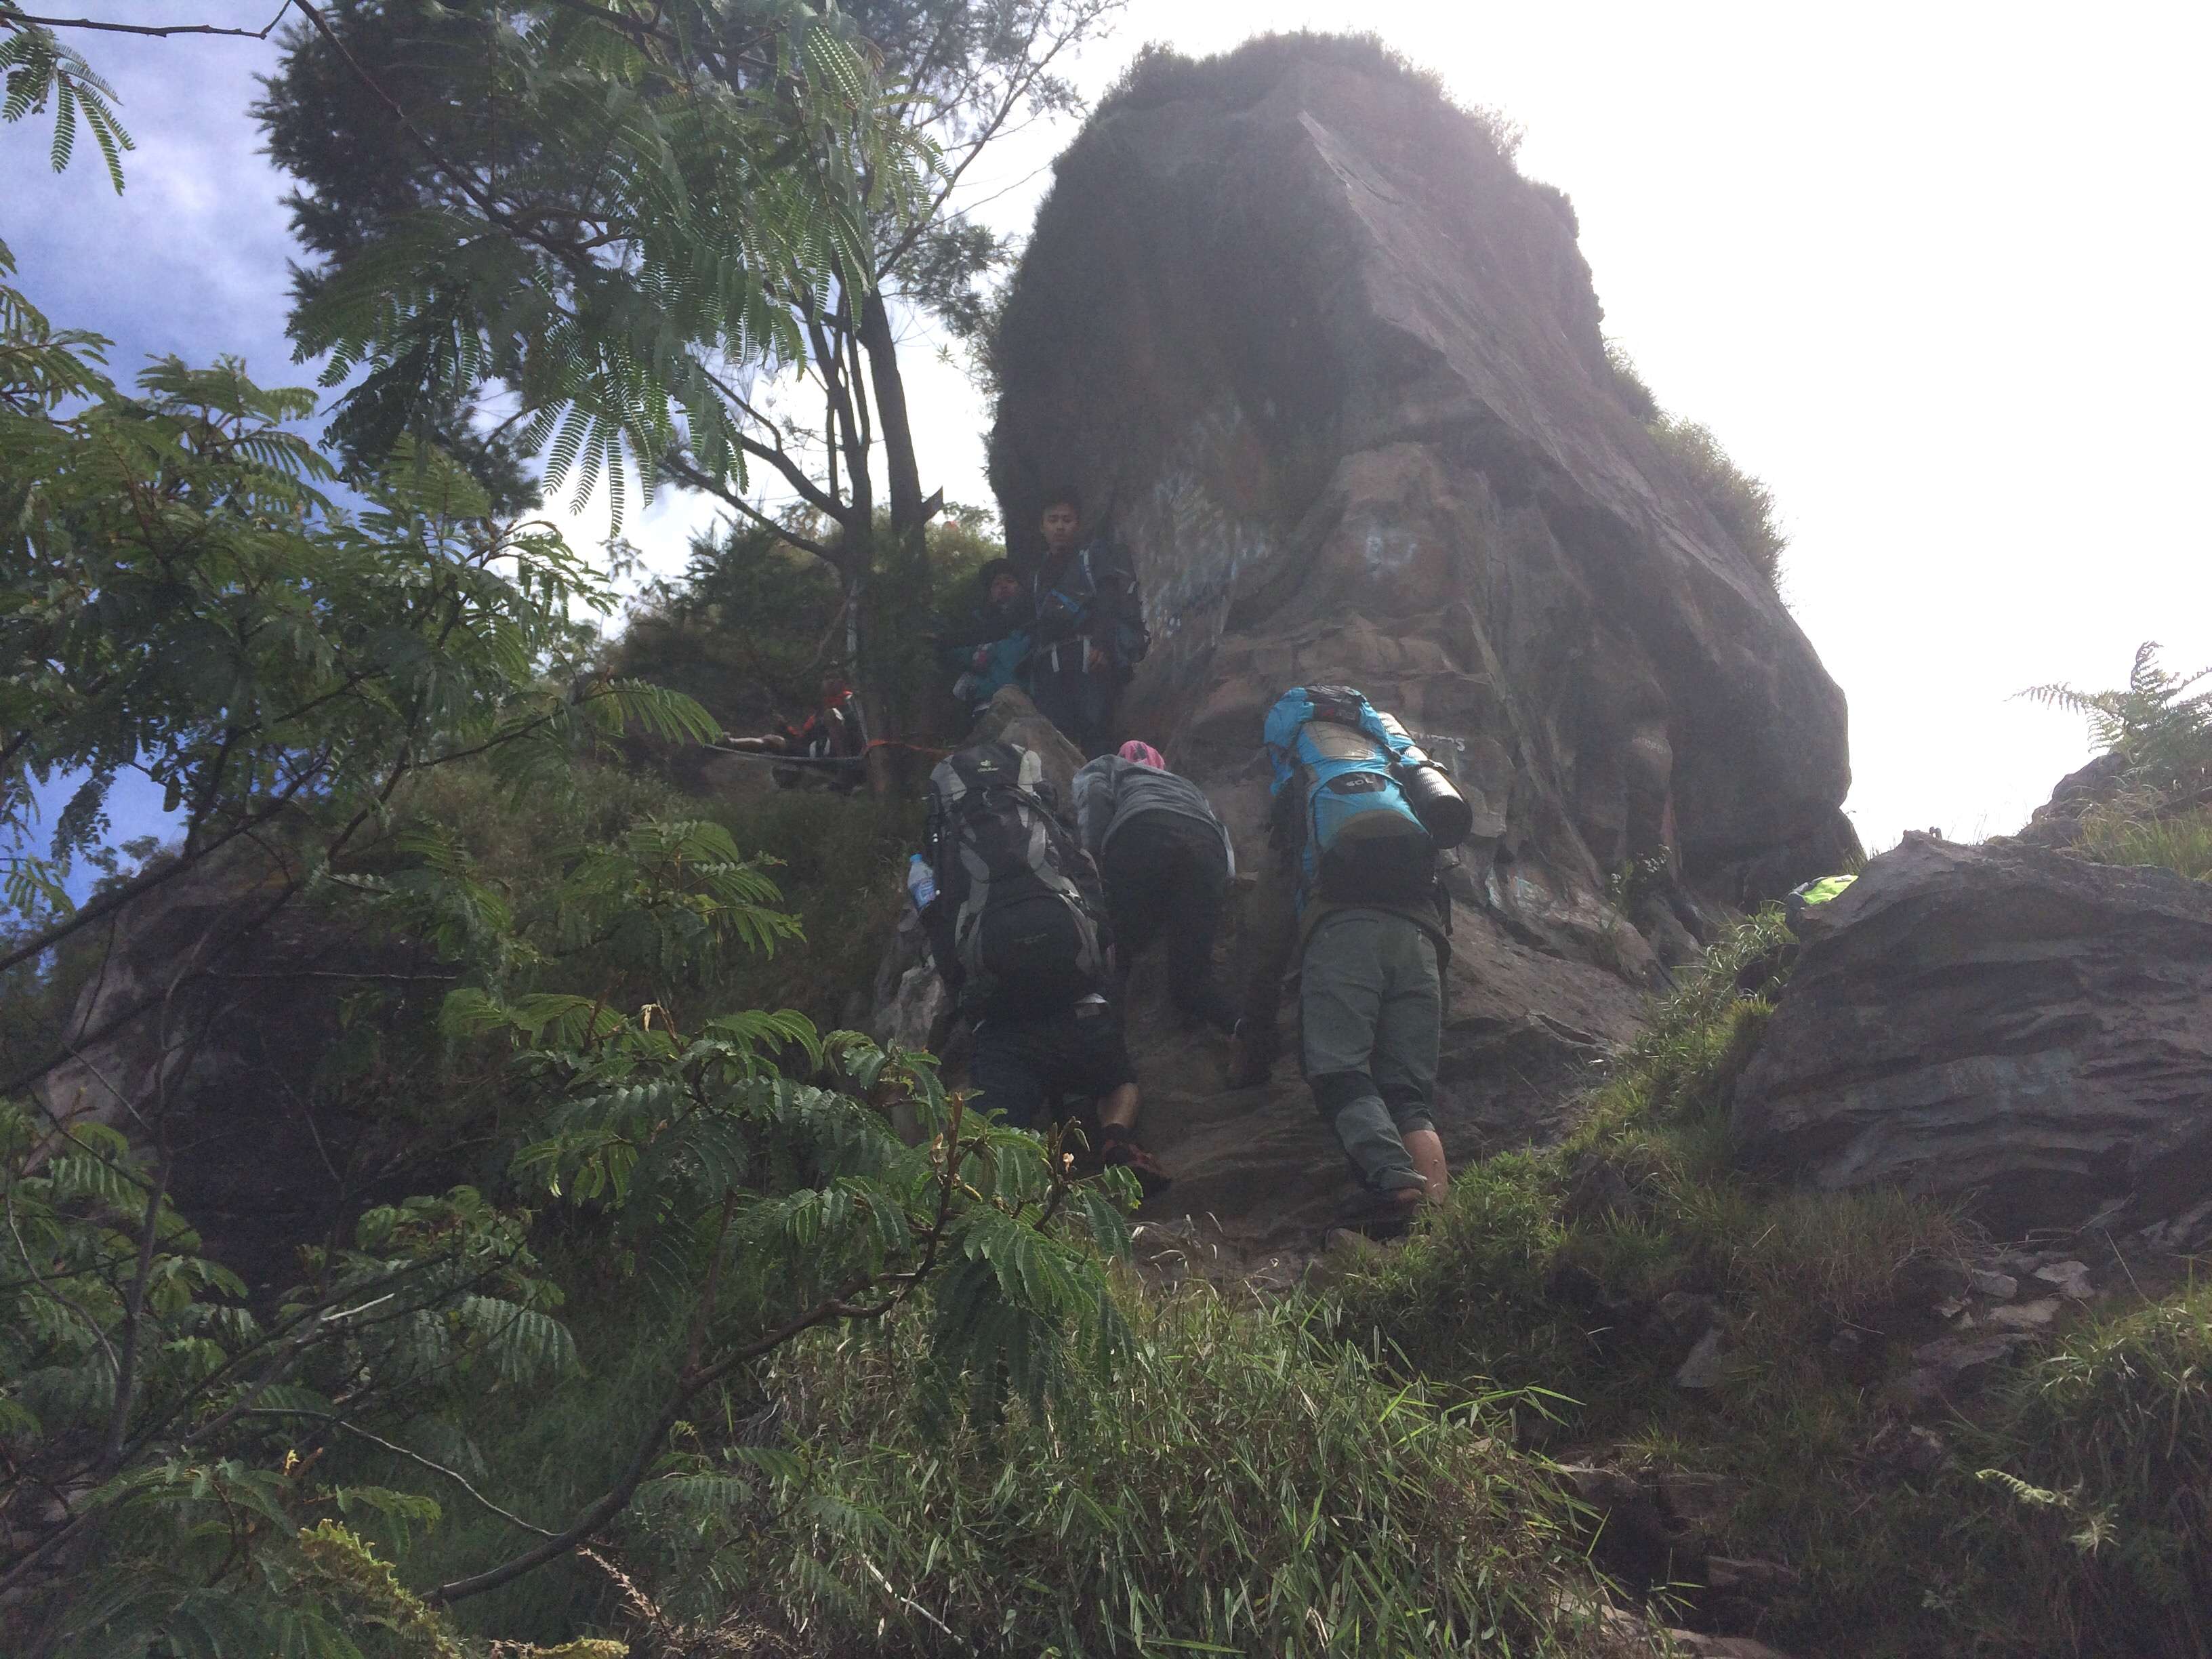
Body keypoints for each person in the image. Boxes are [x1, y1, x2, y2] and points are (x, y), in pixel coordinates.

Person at [1229, 686, 1468, 1233]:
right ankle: (1440, 1220)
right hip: (1421, 941)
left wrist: (1254, 1032)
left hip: (1344, 934)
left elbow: (1267, 932)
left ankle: (1394, 1182)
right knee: (1409, 1094)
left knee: (1338, 1070)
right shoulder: (1400, 775)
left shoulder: (1301, 794)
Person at [920, 740, 1170, 1191]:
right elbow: (1097, 908)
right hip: (1080, 1006)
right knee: (1119, 1082)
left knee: (995, 1130)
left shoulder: (936, 860)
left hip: (1003, 1027)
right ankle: (1115, 1138)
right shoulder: (1054, 835)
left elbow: (943, 942)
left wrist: (966, 1003)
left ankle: (1016, 1185)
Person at [1071, 739, 1239, 1035]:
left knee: (1117, 956)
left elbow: (1095, 798)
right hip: (1204, 846)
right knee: (1192, 978)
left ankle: (1104, 1044)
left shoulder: (1108, 766)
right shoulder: (1185, 785)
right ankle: (1244, 1029)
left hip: (1141, 834)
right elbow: (1219, 832)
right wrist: (1220, 883)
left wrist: (1094, 857)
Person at [1020, 485, 1147, 756]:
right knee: (1058, 740)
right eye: (1053, 520)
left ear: (1078, 525)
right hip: (1050, 666)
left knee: (1096, 733)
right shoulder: (1038, 574)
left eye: (1067, 520)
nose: (1060, 527)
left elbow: (1108, 600)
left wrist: (1103, 645)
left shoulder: (1092, 558)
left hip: (1089, 658)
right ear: (1042, 527)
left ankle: (1101, 792)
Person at [722, 675, 864, 790]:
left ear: (843, 682)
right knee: (773, 740)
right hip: (815, 755)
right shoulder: (819, 714)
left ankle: (846, 771)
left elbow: (860, 730)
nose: (830, 683)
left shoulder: (853, 703)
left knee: (832, 714)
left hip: (845, 756)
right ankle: (730, 743)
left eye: (835, 679)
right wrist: (785, 729)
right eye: (827, 679)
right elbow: (801, 740)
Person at [937, 558, 1032, 717]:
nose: (1004, 586)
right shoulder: (974, 627)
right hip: (988, 707)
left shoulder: (1035, 623)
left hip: (1031, 706)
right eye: (996, 584)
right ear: (989, 593)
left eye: (1010, 581)